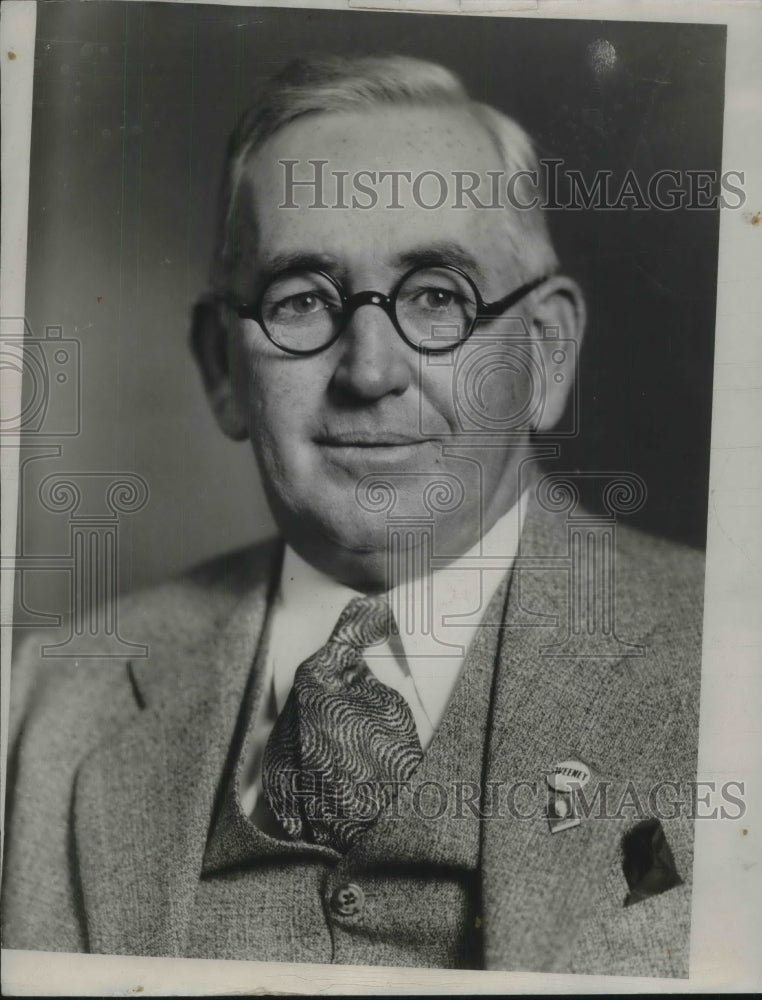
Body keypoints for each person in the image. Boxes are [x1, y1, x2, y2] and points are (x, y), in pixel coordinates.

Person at [2, 54, 703, 977]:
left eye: (437, 298)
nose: (370, 372)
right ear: (223, 368)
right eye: (301, 301)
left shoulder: (728, 658)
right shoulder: (49, 697)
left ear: (544, 352)